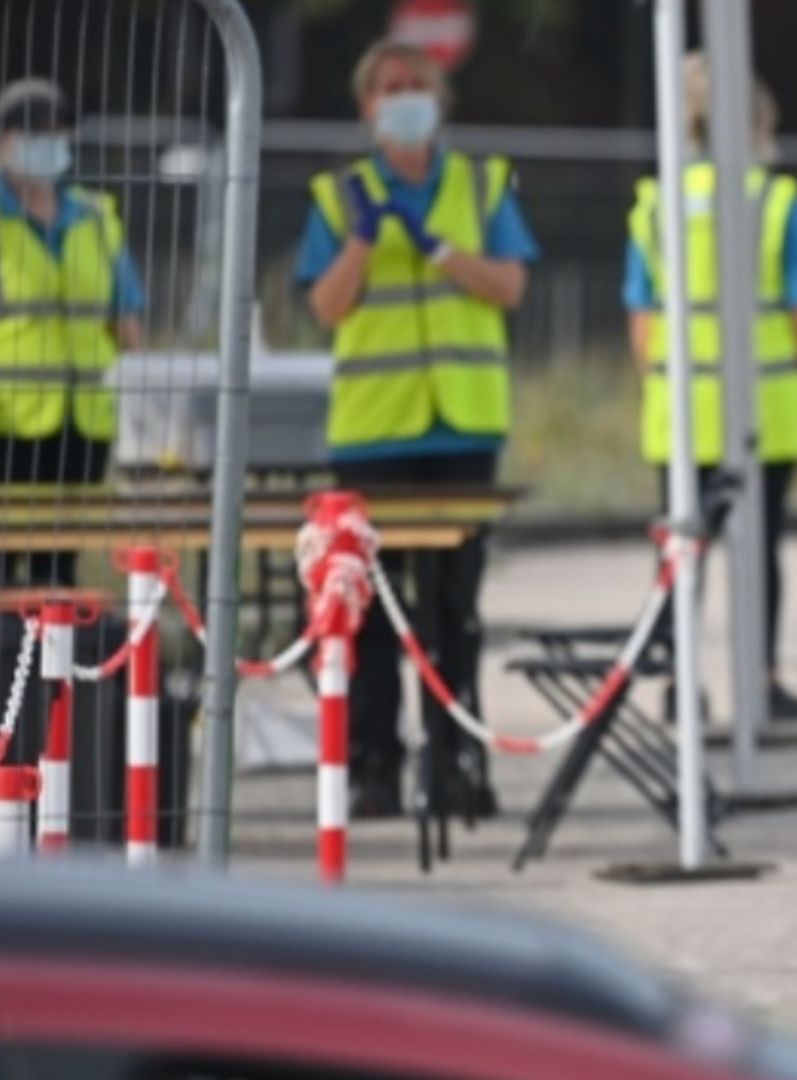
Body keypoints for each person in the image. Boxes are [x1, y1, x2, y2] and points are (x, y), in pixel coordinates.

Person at [296, 40, 539, 818]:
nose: (403, 99)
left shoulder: (480, 183)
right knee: (370, 612)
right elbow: (325, 307)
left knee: (454, 612)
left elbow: (508, 285)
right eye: (388, 88)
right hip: (374, 434)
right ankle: (376, 765)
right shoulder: (339, 198)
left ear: (440, 100)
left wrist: (434, 246)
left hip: (462, 428)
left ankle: (455, 759)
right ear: (366, 107)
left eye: (416, 86)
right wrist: (367, 239)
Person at [623, 52, 797, 723]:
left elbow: (642, 318)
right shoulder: (774, 200)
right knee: (760, 554)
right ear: (757, 119)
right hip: (764, 410)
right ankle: (762, 680)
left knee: (682, 556)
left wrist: (660, 384)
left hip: (682, 411)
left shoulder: (655, 203)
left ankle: (681, 685)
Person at [0, 79, 144, 587]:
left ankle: (53, 669)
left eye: (55, 130)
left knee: (59, 566)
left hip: (84, 418)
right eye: (32, 131)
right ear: (2, 139)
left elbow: (124, 314)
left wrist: (143, 400)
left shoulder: (96, 214)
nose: (48, 141)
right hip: (4, 420)